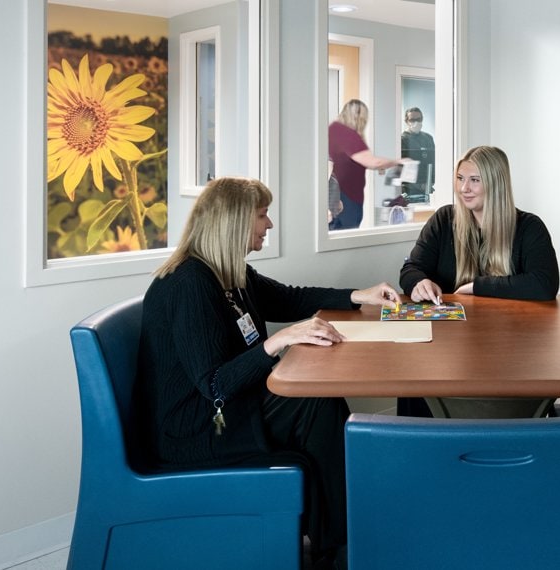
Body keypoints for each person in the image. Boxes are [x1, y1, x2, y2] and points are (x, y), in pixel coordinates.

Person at [136, 176, 400, 570]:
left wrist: (356, 296)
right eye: (262, 215)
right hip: (195, 429)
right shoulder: (190, 284)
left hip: (225, 412)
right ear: (235, 223)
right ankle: (346, 543)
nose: (269, 225)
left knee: (318, 404)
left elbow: (290, 298)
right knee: (315, 407)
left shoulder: (229, 274)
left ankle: (343, 531)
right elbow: (215, 385)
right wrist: (277, 343)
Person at [397, 145, 560, 416]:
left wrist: (477, 286)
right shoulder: (444, 220)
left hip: (510, 346)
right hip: (449, 346)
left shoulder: (529, 227)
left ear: (495, 184)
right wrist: (418, 282)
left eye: (474, 180)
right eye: (460, 178)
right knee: (413, 377)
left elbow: (544, 285)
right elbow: (411, 268)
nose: (464, 188)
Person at [328, 99, 404, 230]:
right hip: (345, 197)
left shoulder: (335, 132)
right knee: (345, 237)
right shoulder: (347, 136)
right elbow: (373, 162)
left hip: (341, 196)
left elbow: (352, 162)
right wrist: (396, 162)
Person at [400, 106, 436, 203]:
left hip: (427, 187)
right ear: (406, 121)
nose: (416, 122)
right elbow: (401, 168)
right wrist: (419, 185)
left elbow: (433, 161)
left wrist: (430, 182)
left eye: (418, 119)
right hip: (409, 189)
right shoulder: (402, 139)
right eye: (412, 120)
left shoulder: (428, 138)